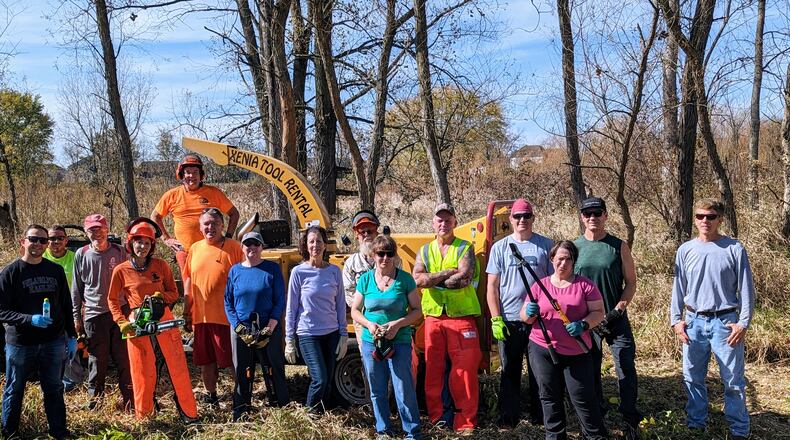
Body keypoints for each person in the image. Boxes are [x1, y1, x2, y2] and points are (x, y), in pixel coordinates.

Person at [670, 198, 754, 440]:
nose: (704, 221)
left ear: (720, 219)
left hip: (725, 323)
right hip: (693, 322)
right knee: (692, 377)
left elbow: (746, 289)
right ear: (694, 219)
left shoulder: (734, 249)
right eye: (699, 216)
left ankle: (739, 429)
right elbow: (678, 288)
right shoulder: (685, 250)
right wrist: (676, 320)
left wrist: (743, 322)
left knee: (733, 381)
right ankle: (696, 424)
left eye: (710, 216)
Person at [107, 218, 198, 422]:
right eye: (139, 242)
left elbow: (174, 292)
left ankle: (187, 412)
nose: (143, 247)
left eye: (147, 243)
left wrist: (160, 298)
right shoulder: (121, 270)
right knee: (142, 370)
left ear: (152, 246)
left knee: (177, 367)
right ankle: (146, 416)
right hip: (138, 319)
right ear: (131, 243)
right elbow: (112, 300)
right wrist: (121, 321)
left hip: (163, 317)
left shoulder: (161, 265)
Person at [521, 240, 607, 440]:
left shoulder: (585, 286)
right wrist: (529, 313)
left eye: (568, 259)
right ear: (552, 259)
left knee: (583, 398)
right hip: (542, 349)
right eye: (560, 259)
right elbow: (524, 316)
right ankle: (554, 436)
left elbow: (598, 313)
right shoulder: (539, 285)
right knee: (549, 397)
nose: (563, 263)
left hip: (576, 352)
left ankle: (595, 436)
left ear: (574, 261)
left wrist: (584, 324)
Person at [574, 196, 642, 437]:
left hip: (615, 318)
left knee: (625, 366)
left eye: (597, 213)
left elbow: (631, 283)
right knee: (590, 370)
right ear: (582, 217)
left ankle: (629, 418)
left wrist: (619, 309)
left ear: (605, 215)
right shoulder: (574, 247)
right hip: (587, 321)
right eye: (587, 214)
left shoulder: (618, 245)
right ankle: (594, 418)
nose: (593, 218)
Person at [0, 225, 77, 439]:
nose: (38, 245)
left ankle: (59, 432)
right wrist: (28, 319)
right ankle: (10, 433)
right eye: (33, 239)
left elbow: (65, 305)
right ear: (23, 241)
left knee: (54, 388)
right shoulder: (10, 273)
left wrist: (71, 336)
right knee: (15, 389)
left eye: (43, 241)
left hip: (53, 342)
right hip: (21, 343)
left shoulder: (55, 270)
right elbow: (1, 311)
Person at [412, 203, 480, 433]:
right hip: (432, 318)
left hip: (461, 317)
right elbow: (418, 281)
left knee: (464, 372)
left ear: (455, 222)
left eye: (448, 219)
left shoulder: (465, 247)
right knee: (433, 370)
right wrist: (446, 273)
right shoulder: (424, 250)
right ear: (433, 223)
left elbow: (462, 279)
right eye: (439, 220)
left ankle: (465, 423)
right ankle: (437, 419)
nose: (443, 223)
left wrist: (434, 279)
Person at [485, 198, 552, 427]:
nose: (522, 220)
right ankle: (508, 417)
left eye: (526, 216)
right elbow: (492, 286)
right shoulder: (500, 247)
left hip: (539, 321)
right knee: (510, 371)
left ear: (533, 218)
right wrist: (496, 318)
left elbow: (554, 283)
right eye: (517, 216)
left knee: (539, 372)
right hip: (510, 319)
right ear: (510, 219)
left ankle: (541, 416)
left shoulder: (546, 245)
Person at [351, 235, 422, 439]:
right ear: (373, 256)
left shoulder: (405, 279)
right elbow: (355, 310)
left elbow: (417, 311)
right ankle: (383, 430)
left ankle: (412, 432)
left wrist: (397, 324)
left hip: (398, 341)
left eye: (389, 254)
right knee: (377, 388)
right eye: (380, 254)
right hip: (371, 341)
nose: (385, 258)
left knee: (403, 387)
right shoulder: (365, 280)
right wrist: (369, 324)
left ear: (394, 256)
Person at [225, 231, 289, 421]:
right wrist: (237, 326)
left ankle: (280, 408)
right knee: (242, 370)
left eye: (256, 244)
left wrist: (271, 324)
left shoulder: (272, 269)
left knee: (273, 367)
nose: (251, 247)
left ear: (262, 247)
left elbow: (280, 299)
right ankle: (241, 410)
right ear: (242, 248)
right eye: (247, 244)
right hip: (242, 328)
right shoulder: (235, 271)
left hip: (267, 327)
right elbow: (228, 301)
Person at [71, 214, 133, 410]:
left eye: (100, 228)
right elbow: (77, 288)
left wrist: (131, 311)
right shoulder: (81, 254)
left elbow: (131, 282)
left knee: (124, 358)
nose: (96, 233)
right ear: (86, 232)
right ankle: (95, 404)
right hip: (94, 314)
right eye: (91, 230)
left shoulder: (120, 252)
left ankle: (130, 401)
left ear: (107, 229)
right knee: (97, 361)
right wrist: (76, 316)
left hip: (120, 312)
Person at [183, 208, 243, 405]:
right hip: (201, 318)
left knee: (231, 361)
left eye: (215, 223)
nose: (211, 227)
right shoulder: (195, 248)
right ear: (200, 227)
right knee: (206, 361)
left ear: (222, 226)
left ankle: (242, 395)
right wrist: (187, 309)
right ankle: (211, 395)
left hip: (226, 318)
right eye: (206, 224)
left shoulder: (234, 247)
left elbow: (245, 279)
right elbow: (189, 280)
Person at [285, 226, 348, 412]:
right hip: (308, 334)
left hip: (332, 333)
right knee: (319, 379)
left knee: (328, 380)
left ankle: (324, 416)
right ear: (305, 245)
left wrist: (343, 335)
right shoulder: (298, 272)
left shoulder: (334, 271)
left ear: (325, 245)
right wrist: (289, 340)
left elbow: (340, 305)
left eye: (319, 241)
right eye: (311, 241)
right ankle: (309, 415)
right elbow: (291, 308)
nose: (315, 245)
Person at [152, 154, 240, 272]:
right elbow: (155, 216)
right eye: (188, 172)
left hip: (212, 250)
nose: (191, 176)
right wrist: (166, 239)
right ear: (182, 174)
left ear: (201, 175)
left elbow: (234, 213)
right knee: (190, 286)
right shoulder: (172, 195)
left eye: (195, 172)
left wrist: (228, 237)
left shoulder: (213, 193)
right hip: (184, 251)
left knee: (213, 282)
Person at [342, 210, 402, 351]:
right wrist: (365, 312)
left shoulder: (393, 259)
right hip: (363, 320)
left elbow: (399, 283)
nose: (367, 235)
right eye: (362, 232)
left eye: (370, 231)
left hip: (390, 318)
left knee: (393, 355)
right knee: (368, 358)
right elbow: (349, 291)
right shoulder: (351, 263)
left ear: (377, 233)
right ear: (357, 236)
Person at [43, 225, 75, 291]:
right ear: (47, 241)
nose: (56, 241)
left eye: (60, 238)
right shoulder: (40, 256)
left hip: (69, 299)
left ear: (66, 240)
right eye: (52, 238)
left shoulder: (76, 258)